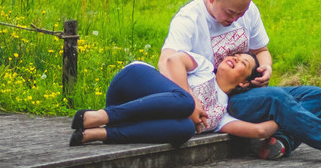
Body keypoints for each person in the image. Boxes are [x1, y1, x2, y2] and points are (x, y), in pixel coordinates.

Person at [159, 0, 321, 161]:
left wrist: (266, 67)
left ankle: (279, 144)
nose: (235, 18)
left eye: (241, 13)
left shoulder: (248, 10)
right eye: (230, 13)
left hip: (249, 91)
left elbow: (261, 51)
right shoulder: (189, 19)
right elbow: (165, 62)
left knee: (315, 96)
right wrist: (189, 101)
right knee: (276, 99)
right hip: (220, 100)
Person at [69, 51, 278, 147]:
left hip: (131, 118)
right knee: (185, 102)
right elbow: (173, 59)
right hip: (132, 83)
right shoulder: (204, 66)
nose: (235, 58)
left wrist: (290, 112)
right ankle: (97, 116)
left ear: (243, 83)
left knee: (185, 130)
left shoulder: (222, 113)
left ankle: (100, 133)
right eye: (235, 55)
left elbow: (260, 131)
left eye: (243, 63)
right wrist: (192, 98)